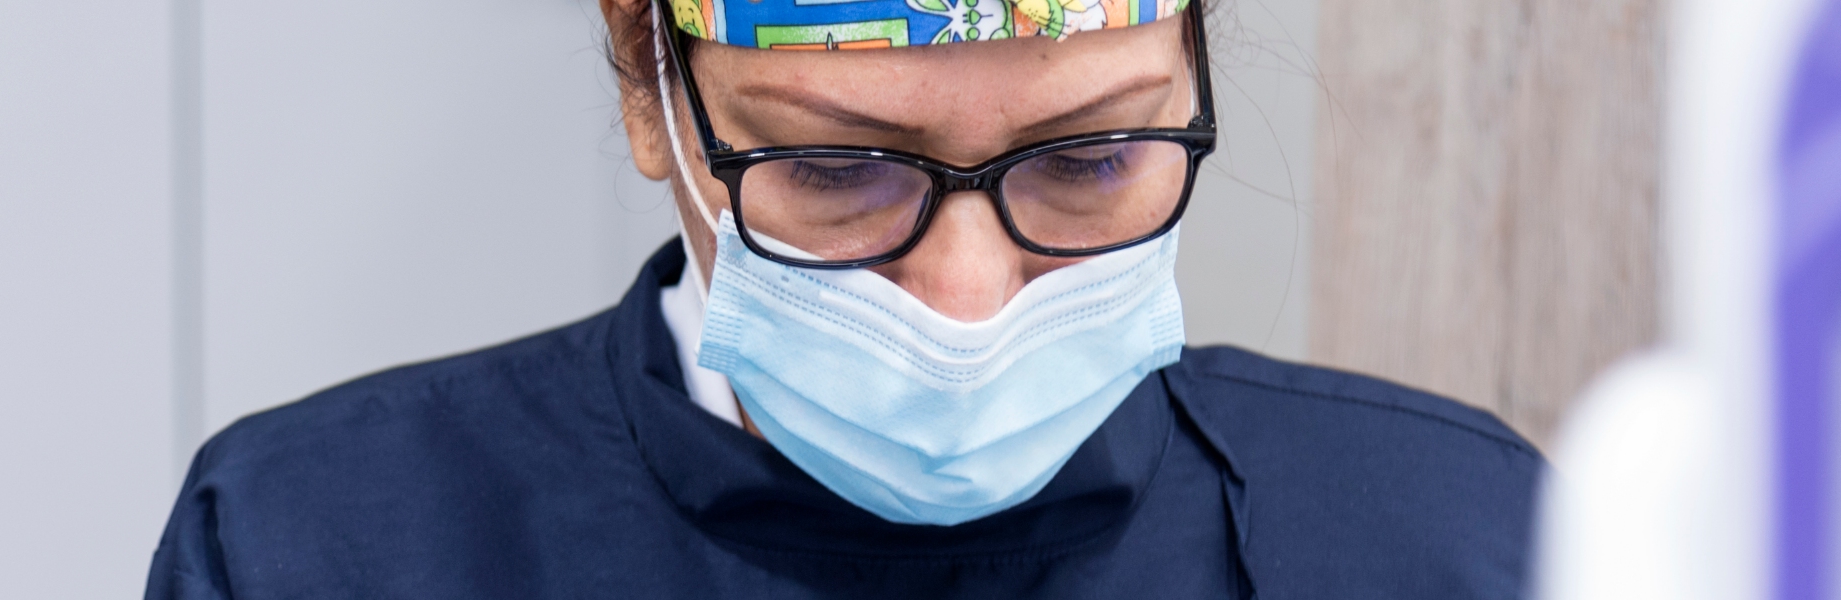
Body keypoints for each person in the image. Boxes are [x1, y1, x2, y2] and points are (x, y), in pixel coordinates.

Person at [145, 0, 1541, 597]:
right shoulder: (322, 550)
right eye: (836, 170)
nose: (966, 301)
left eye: (1089, 159)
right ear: (650, 83)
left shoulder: (1456, 544)